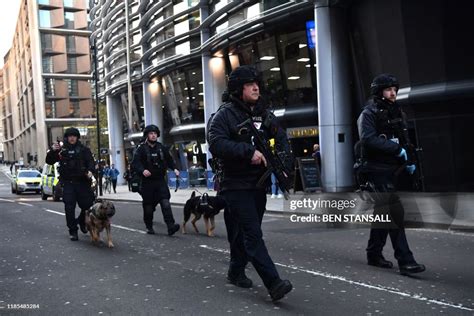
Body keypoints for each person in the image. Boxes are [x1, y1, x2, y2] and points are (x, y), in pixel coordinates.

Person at [208, 65, 293, 301]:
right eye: (249, 84)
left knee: (241, 232)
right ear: (238, 88)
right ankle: (274, 283)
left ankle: (236, 270)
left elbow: (282, 139)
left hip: (258, 184)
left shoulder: (264, 114)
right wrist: (248, 152)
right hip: (234, 184)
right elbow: (216, 144)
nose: (256, 87)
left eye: (256, 83)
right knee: (252, 234)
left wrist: (284, 164)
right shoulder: (225, 114)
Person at [356, 73, 425, 275]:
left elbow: (405, 140)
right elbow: (367, 139)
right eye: (388, 90)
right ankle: (406, 261)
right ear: (379, 92)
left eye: (395, 90)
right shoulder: (368, 113)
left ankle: (374, 253)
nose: (393, 93)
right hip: (375, 169)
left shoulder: (397, 112)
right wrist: (396, 150)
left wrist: (409, 160)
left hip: (393, 169)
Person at [45, 127, 95, 241]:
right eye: (70, 136)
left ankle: (82, 221)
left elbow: (90, 162)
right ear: (67, 138)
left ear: (77, 137)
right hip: (68, 183)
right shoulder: (62, 150)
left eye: (74, 136)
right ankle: (73, 231)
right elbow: (49, 161)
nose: (72, 138)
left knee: (87, 205)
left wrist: (90, 171)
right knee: (69, 207)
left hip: (82, 182)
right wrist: (52, 150)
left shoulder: (84, 150)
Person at [131, 124, 180, 236]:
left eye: (155, 134)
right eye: (151, 134)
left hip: (160, 181)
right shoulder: (141, 149)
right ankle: (149, 226)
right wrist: (142, 170)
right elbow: (135, 163)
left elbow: (169, 160)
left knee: (165, 203)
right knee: (148, 207)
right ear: (147, 135)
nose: (153, 136)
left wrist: (175, 169)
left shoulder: (161, 148)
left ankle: (170, 226)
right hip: (147, 182)